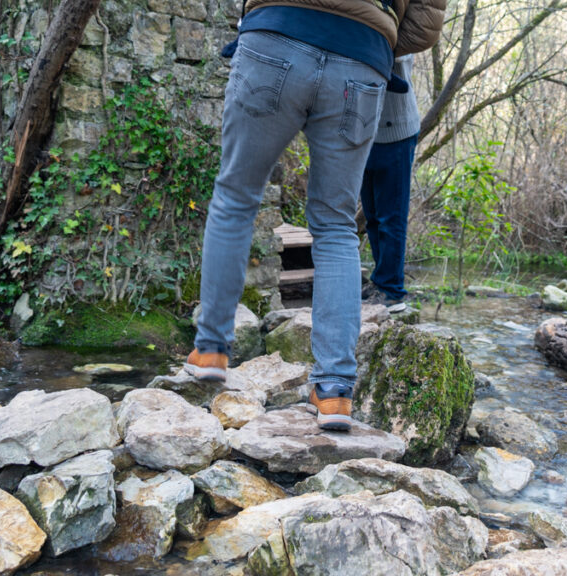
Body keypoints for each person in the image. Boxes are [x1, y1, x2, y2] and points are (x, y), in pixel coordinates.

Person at [184, 0, 445, 432]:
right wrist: (376, 30)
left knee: (235, 195)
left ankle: (211, 348)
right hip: (362, 57)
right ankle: (335, 391)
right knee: (336, 225)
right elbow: (425, 23)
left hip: (277, 32)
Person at [360, 54, 419, 314]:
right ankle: (380, 282)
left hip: (396, 131)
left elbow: (401, 56)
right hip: (364, 131)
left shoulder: (399, 21)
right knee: (372, 216)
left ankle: (393, 291)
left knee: (390, 217)